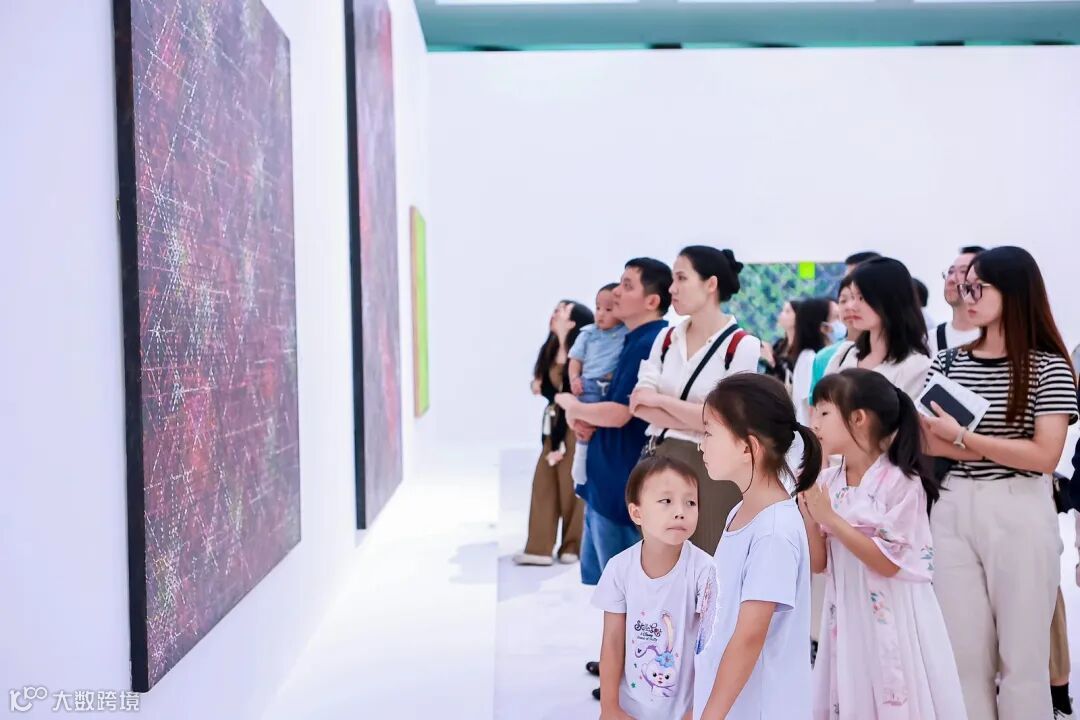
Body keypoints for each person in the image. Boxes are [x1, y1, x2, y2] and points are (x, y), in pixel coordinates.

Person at [920, 246, 1078, 720]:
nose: (966, 296)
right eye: (964, 286)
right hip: (953, 504)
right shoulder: (948, 361)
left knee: (1023, 662)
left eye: (977, 288)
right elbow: (927, 440)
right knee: (962, 658)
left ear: (1013, 291)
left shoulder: (1048, 366)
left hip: (1021, 507)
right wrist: (998, 445)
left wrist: (963, 437)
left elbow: (1044, 456)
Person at [801, 368, 967, 719]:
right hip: (847, 611)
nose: (814, 422)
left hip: (894, 610)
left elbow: (890, 563)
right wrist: (810, 516)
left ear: (858, 418)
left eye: (824, 412)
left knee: (894, 687)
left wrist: (830, 518)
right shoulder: (827, 480)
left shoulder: (901, 482)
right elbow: (819, 564)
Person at [693, 373, 821, 720]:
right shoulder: (741, 511)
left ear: (747, 446)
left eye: (709, 433)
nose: (701, 445)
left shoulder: (773, 533)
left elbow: (750, 636)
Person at [630, 246, 762, 554]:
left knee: (709, 563)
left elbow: (726, 419)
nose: (671, 288)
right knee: (660, 561)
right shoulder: (666, 339)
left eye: (681, 278)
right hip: (659, 457)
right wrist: (699, 415)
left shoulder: (742, 345)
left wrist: (661, 402)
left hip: (711, 467)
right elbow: (639, 404)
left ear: (710, 284)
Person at [556, 258, 672, 587]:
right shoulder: (628, 339)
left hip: (619, 488)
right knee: (609, 594)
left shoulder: (649, 342)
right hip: (605, 484)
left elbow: (620, 413)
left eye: (627, 285)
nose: (616, 292)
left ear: (652, 301)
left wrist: (572, 407)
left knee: (625, 596)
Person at [592, 456, 716, 720]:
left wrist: (698, 710)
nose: (680, 511)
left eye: (690, 502)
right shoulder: (619, 568)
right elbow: (612, 642)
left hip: (686, 711)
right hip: (630, 710)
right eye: (666, 501)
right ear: (637, 513)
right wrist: (609, 707)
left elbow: (712, 648)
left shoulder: (705, 570)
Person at [515, 300, 595, 566]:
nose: (555, 313)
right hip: (553, 424)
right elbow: (547, 388)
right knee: (544, 482)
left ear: (573, 322)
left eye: (562, 309)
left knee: (572, 484)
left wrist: (558, 396)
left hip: (574, 424)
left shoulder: (583, 353)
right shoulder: (549, 349)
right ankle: (539, 547)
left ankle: (572, 546)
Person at [825, 258, 931, 399]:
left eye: (862, 298)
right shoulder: (845, 353)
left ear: (888, 299)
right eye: (853, 297)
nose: (852, 306)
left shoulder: (916, 366)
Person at [568, 283, 629, 489]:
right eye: (598, 308)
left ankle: (590, 463)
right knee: (585, 424)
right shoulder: (588, 333)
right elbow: (575, 359)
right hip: (590, 384)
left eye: (608, 309)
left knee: (605, 425)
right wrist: (574, 379)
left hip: (612, 386)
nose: (601, 314)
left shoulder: (626, 332)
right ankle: (580, 456)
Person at [928, 246, 986, 355]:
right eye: (950, 272)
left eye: (963, 271)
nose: (951, 279)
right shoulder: (930, 341)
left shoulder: (998, 340)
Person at [789, 297, 833, 426]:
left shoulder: (810, 356)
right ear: (823, 327)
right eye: (836, 317)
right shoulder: (810, 358)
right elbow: (807, 408)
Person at [760, 300, 800, 382]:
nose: (781, 314)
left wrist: (771, 360)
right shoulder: (780, 344)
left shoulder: (801, 350)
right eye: (783, 310)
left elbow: (790, 378)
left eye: (787, 311)